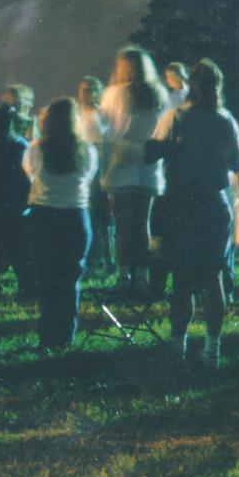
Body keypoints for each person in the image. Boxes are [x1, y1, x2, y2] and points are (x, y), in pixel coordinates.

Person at [145, 60, 239, 368]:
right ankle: (213, 350)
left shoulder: (176, 117)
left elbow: (150, 153)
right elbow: (238, 163)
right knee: (213, 276)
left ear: (190, 85)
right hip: (214, 204)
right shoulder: (226, 120)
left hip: (182, 203)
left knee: (183, 278)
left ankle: (178, 345)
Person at [23, 98, 99, 351]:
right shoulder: (87, 150)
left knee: (46, 280)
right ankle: (66, 335)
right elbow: (88, 177)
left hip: (43, 216)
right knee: (69, 281)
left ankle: (47, 336)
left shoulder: (36, 148)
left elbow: (30, 174)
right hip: (76, 217)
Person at [99, 47, 169, 301]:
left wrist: (105, 171)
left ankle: (124, 277)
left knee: (123, 225)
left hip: (122, 165)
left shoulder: (113, 94)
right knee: (142, 224)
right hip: (148, 166)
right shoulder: (159, 93)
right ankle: (141, 277)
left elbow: (108, 132)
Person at [0, 103, 33, 302]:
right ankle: (27, 289)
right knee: (19, 250)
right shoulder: (19, 144)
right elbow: (26, 176)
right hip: (16, 206)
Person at [77, 75, 113, 276]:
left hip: (101, 170)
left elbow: (108, 142)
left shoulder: (103, 114)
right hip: (83, 172)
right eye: (84, 89)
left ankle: (108, 260)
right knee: (88, 217)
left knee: (103, 219)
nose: (88, 93)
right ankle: (90, 260)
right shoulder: (77, 115)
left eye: (91, 89)